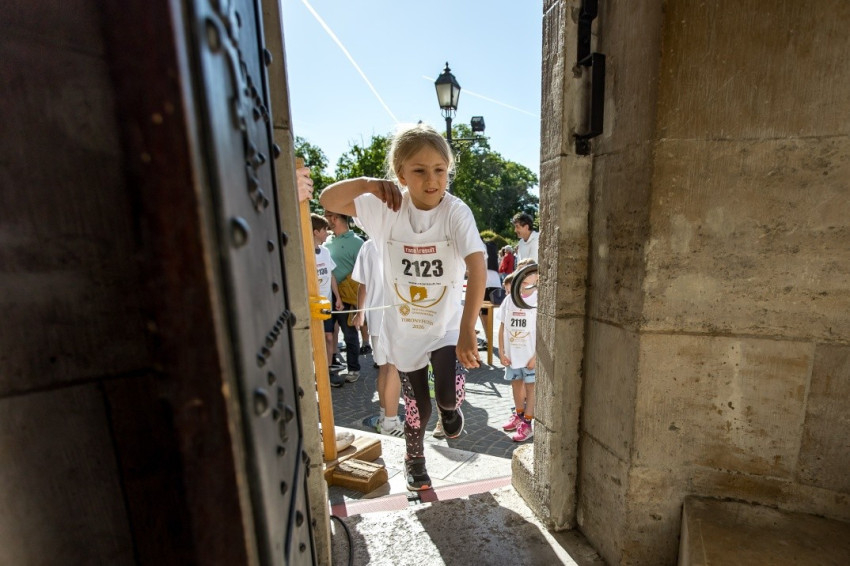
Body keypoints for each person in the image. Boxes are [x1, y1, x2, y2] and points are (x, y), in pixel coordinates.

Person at [320, 122, 487, 491]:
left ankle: (450, 409)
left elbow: (477, 265)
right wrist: (367, 184)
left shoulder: (455, 212)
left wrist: (466, 330)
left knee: (446, 395)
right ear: (400, 175)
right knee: (419, 406)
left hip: (445, 324)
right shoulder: (388, 207)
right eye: (420, 171)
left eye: (440, 170)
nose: (432, 180)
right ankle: (415, 459)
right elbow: (328, 200)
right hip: (405, 328)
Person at [351, 240, 404, 436]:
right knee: (394, 368)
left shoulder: (368, 245)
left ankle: (384, 417)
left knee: (384, 368)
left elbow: (362, 285)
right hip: (397, 315)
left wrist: (361, 313)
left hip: (376, 315)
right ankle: (390, 422)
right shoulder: (399, 238)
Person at [497, 265, 538, 442]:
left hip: (530, 356)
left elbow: (544, 331)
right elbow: (502, 327)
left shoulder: (539, 299)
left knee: (531, 387)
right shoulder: (509, 300)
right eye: (523, 274)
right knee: (516, 385)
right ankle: (519, 415)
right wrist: (501, 351)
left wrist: (536, 357)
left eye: (531, 274)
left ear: (538, 277)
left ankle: (527, 423)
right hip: (512, 355)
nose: (526, 278)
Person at [324, 211, 364, 382]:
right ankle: (331, 363)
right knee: (328, 332)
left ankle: (354, 369)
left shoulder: (357, 242)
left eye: (327, 216)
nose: (325, 219)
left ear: (335, 218)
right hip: (327, 295)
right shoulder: (327, 240)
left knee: (349, 334)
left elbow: (364, 272)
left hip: (348, 296)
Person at [310, 214, 346, 387]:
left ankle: (328, 371)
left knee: (329, 337)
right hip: (313, 306)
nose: (327, 233)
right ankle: (316, 372)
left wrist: (337, 297)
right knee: (316, 340)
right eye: (325, 230)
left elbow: (330, 275)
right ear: (315, 232)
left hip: (327, 305)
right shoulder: (305, 254)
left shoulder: (324, 252)